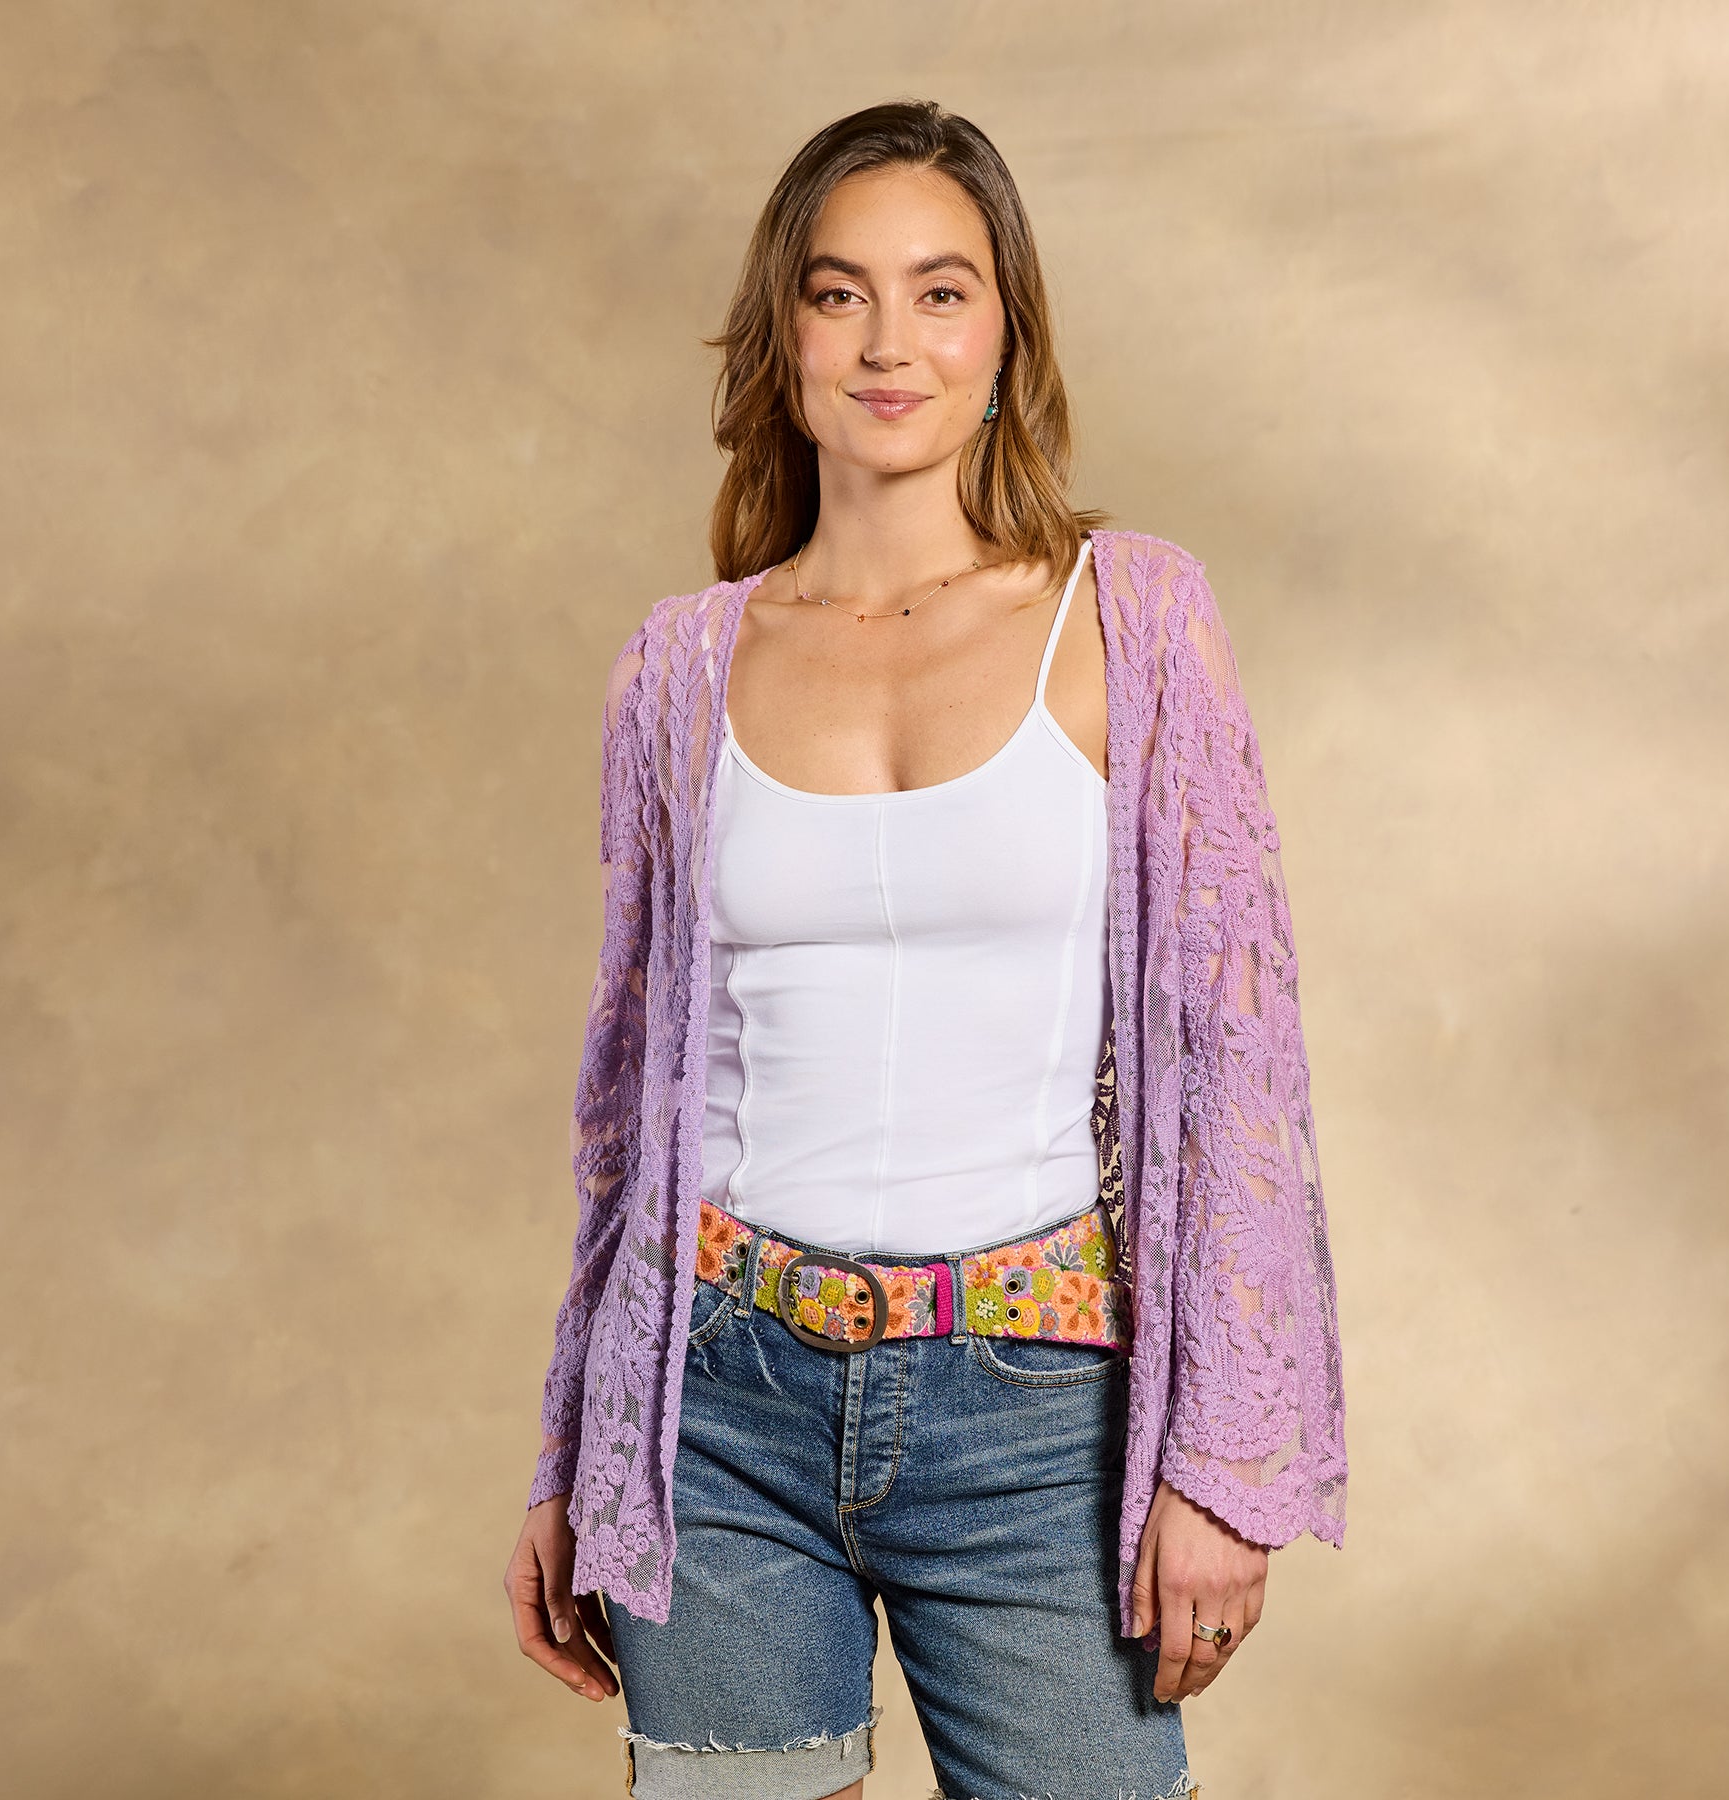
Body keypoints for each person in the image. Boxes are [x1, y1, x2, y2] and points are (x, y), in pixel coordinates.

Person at [503, 98, 1347, 1800]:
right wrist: (578, 1446)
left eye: (941, 293)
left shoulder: (1132, 619)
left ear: (1006, 332)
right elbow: (636, 1096)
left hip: (1036, 1415)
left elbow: (1236, 1055)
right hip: (718, 1404)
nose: (891, 343)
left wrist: (1226, 1459)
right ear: (786, 335)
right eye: (841, 294)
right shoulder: (681, 666)